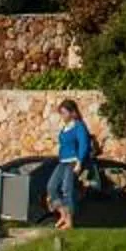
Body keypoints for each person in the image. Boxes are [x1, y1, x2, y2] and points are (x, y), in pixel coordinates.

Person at [48, 99, 96, 233]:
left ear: (72, 112)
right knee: (51, 187)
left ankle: (69, 220)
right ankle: (63, 213)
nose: (62, 116)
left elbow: (84, 144)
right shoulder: (65, 127)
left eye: (64, 113)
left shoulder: (79, 126)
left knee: (66, 189)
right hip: (62, 161)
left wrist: (80, 162)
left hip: (73, 161)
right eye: (61, 113)